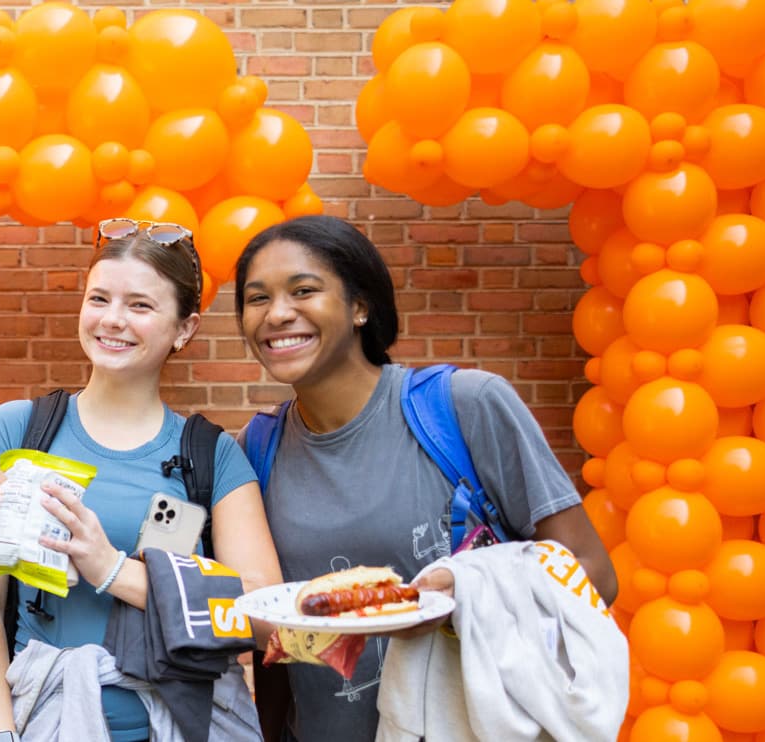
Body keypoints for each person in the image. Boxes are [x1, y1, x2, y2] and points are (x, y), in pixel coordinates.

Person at [231, 214, 617, 741]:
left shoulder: (464, 406)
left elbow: (595, 574)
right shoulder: (256, 447)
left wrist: (464, 592)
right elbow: (280, 642)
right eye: (257, 299)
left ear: (361, 307)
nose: (277, 314)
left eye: (304, 290)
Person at [0, 219, 283, 742]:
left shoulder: (212, 455)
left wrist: (113, 571)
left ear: (185, 329)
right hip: (47, 724)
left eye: (140, 305)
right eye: (99, 299)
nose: (113, 320)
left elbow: (265, 613)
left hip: (181, 725)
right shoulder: (16, 429)